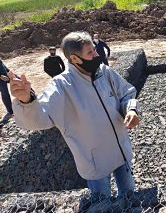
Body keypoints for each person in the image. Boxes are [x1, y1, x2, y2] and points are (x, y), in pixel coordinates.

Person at [8, 31, 140, 198]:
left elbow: (126, 94)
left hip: (121, 151)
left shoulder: (105, 72)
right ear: (75, 59)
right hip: (94, 163)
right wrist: (26, 101)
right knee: (101, 202)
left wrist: (131, 109)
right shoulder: (61, 86)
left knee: (129, 196)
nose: (96, 54)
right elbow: (40, 118)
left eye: (94, 49)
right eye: (90, 52)